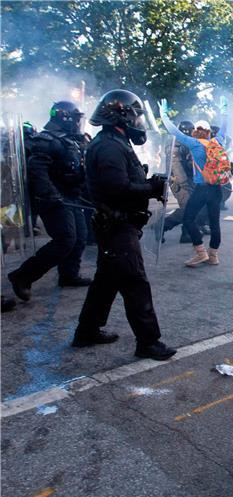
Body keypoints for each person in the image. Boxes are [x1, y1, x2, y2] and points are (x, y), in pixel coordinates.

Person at [71, 89, 176, 361]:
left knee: (106, 281)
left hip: (117, 224)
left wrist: (146, 183)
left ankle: (87, 331)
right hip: (116, 226)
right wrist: (150, 187)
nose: (139, 121)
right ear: (121, 115)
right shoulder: (108, 145)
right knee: (134, 281)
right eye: (136, 115)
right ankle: (148, 342)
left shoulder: (115, 141)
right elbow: (116, 187)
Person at [7, 101, 91, 302]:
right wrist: (51, 195)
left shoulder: (68, 140)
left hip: (70, 196)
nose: (79, 123)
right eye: (76, 118)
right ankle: (22, 276)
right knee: (65, 240)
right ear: (65, 117)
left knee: (80, 237)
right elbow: (37, 169)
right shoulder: (47, 140)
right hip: (53, 199)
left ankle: (69, 274)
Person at [159, 97, 229, 267]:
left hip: (201, 189)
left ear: (196, 131)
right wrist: (224, 113)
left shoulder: (194, 144)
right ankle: (213, 256)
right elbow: (225, 128)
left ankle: (201, 253)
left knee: (189, 218)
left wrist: (164, 116)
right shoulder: (217, 141)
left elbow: (174, 131)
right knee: (214, 223)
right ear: (208, 132)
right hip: (216, 189)